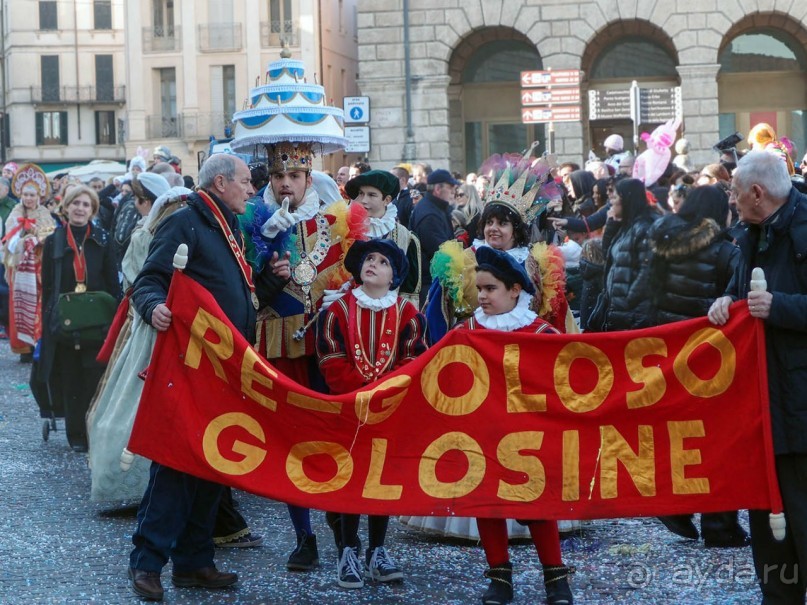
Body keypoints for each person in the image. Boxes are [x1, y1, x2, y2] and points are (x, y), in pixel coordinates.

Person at [127, 154, 289, 601]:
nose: (251, 189)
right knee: (177, 465)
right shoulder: (184, 223)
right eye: (244, 182)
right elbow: (148, 281)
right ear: (220, 182)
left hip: (226, 367)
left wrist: (270, 282)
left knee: (212, 464)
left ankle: (194, 562)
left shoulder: (226, 224)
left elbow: (239, 296)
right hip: (192, 366)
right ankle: (146, 562)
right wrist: (153, 307)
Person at [708, 150, 807, 604]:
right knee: (768, 517)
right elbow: (742, 286)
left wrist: (781, 307)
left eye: (732, 189)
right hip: (761, 406)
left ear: (756, 193)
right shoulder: (749, 233)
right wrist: (727, 301)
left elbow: (777, 302)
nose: (728, 197)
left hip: (801, 407)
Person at [455, 246, 573, 605]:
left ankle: (556, 579)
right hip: (484, 434)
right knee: (487, 502)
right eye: (480, 289)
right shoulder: (467, 331)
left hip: (531, 438)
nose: (483, 296)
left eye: (490, 288)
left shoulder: (543, 333)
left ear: (514, 290)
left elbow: (566, 384)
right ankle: (499, 578)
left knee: (538, 503)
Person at [316, 239, 427, 589]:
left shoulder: (409, 314)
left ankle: (377, 549)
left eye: (382, 262)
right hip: (348, 409)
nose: (373, 265)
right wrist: (361, 393)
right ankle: (348, 548)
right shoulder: (338, 311)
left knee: (382, 479)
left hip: (390, 411)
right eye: (369, 259)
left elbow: (414, 359)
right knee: (349, 478)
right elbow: (330, 361)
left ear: (395, 276)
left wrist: (386, 395)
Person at [648, 185, 748, 547]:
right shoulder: (725, 251)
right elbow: (737, 298)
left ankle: (675, 504)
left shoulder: (659, 243)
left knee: (680, 432)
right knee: (718, 439)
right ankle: (720, 525)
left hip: (668, 351)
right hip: (712, 355)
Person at [38, 185, 121, 452]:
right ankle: (76, 435)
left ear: (93, 210)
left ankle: (92, 431)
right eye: (76, 203)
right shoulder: (55, 240)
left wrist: (116, 321)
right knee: (71, 377)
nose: (80, 209)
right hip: (66, 321)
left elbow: (113, 283)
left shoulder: (103, 239)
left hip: (97, 321)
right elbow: (48, 287)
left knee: (94, 378)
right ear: (67, 207)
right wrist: (48, 323)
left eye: (86, 205)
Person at [2, 164, 57, 362]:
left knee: (38, 306)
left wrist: (36, 237)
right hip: (19, 269)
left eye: (32, 195)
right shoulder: (15, 213)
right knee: (21, 305)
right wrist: (24, 240)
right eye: (25, 194)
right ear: (20, 194)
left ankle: (38, 343)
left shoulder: (44, 213)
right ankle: (23, 347)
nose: (28, 198)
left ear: (39, 196)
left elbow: (50, 235)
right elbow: (9, 242)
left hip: (39, 269)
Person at [343, 170, 421, 306]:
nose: (364, 200)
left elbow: (409, 293)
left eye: (371, 195)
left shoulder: (406, 238)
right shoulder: (343, 228)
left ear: (387, 200)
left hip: (388, 317)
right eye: (361, 193)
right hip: (348, 311)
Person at [595, 178, 658, 331]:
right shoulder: (626, 226)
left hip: (633, 314)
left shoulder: (644, 228)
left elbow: (647, 272)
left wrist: (627, 301)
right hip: (619, 310)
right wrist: (612, 224)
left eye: (615, 198)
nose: (611, 203)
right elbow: (608, 255)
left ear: (626, 200)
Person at [409, 168, 459, 305]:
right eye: (450, 187)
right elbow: (441, 251)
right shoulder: (429, 215)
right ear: (438, 189)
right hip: (429, 283)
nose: (453, 191)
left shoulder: (435, 208)